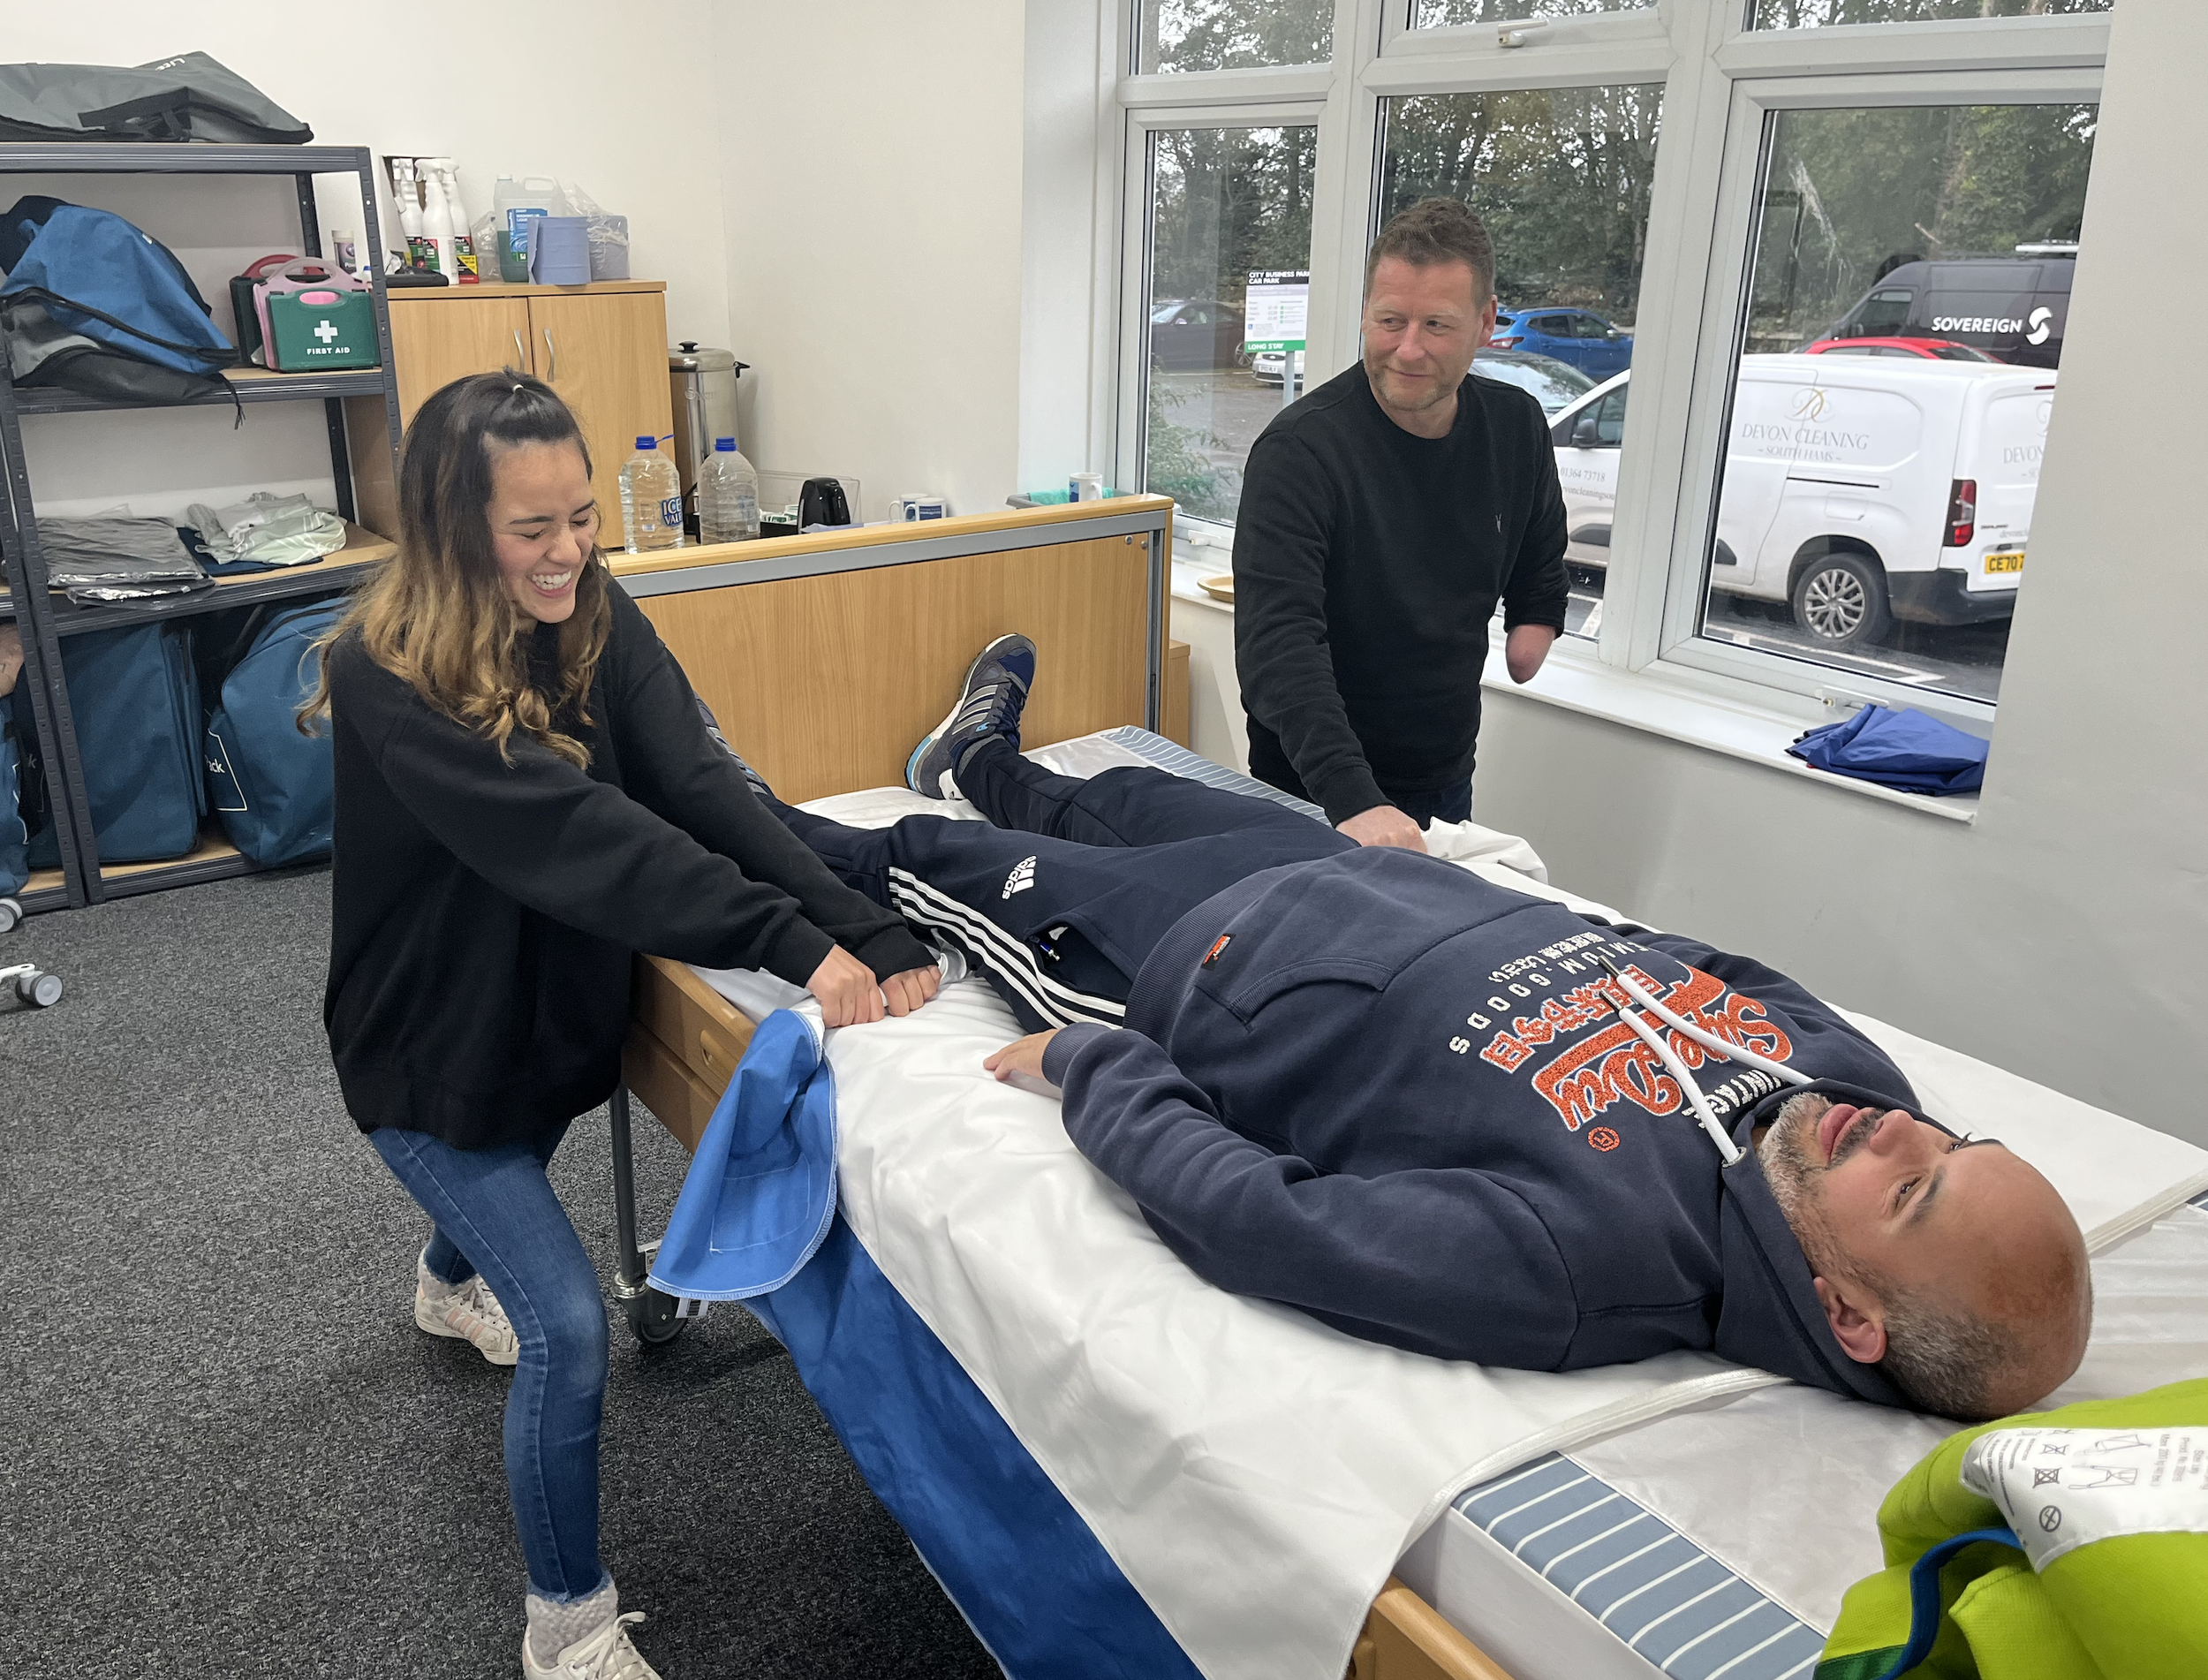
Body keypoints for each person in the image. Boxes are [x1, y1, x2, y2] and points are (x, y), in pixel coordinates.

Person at [794, 634, 2091, 1424]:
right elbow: (1700, 961)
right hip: (1361, 879)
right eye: (1951, 1143)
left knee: (928, 860)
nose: (1899, 1131)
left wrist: (1095, 1063)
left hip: (1205, 970)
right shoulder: (1844, 1086)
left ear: (1847, 1316)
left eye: (1911, 1191)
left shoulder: (1596, 1266)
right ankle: (978, 756)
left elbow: (1266, 1222)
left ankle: (719, 816)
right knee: (1116, 791)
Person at [305, 373, 940, 1679]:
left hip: (543, 1015)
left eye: (582, 516)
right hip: (423, 1044)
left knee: (520, 1143)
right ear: (453, 528)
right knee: (570, 1330)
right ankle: (568, 1626)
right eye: (530, 528)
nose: (567, 551)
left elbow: (699, 783)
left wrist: (859, 923)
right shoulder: (386, 670)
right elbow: (585, 831)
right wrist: (791, 943)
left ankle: (443, 1284)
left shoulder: (592, 605)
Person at [1232, 196, 1570, 852]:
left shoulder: (1517, 425)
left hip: (1444, 777)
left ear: (1485, 322)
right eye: (1390, 321)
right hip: (1313, 789)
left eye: (1436, 325)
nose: (1408, 349)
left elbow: (1538, 547)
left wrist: (1538, 615)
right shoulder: (1300, 452)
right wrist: (1354, 798)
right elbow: (1278, 644)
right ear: (1365, 312)